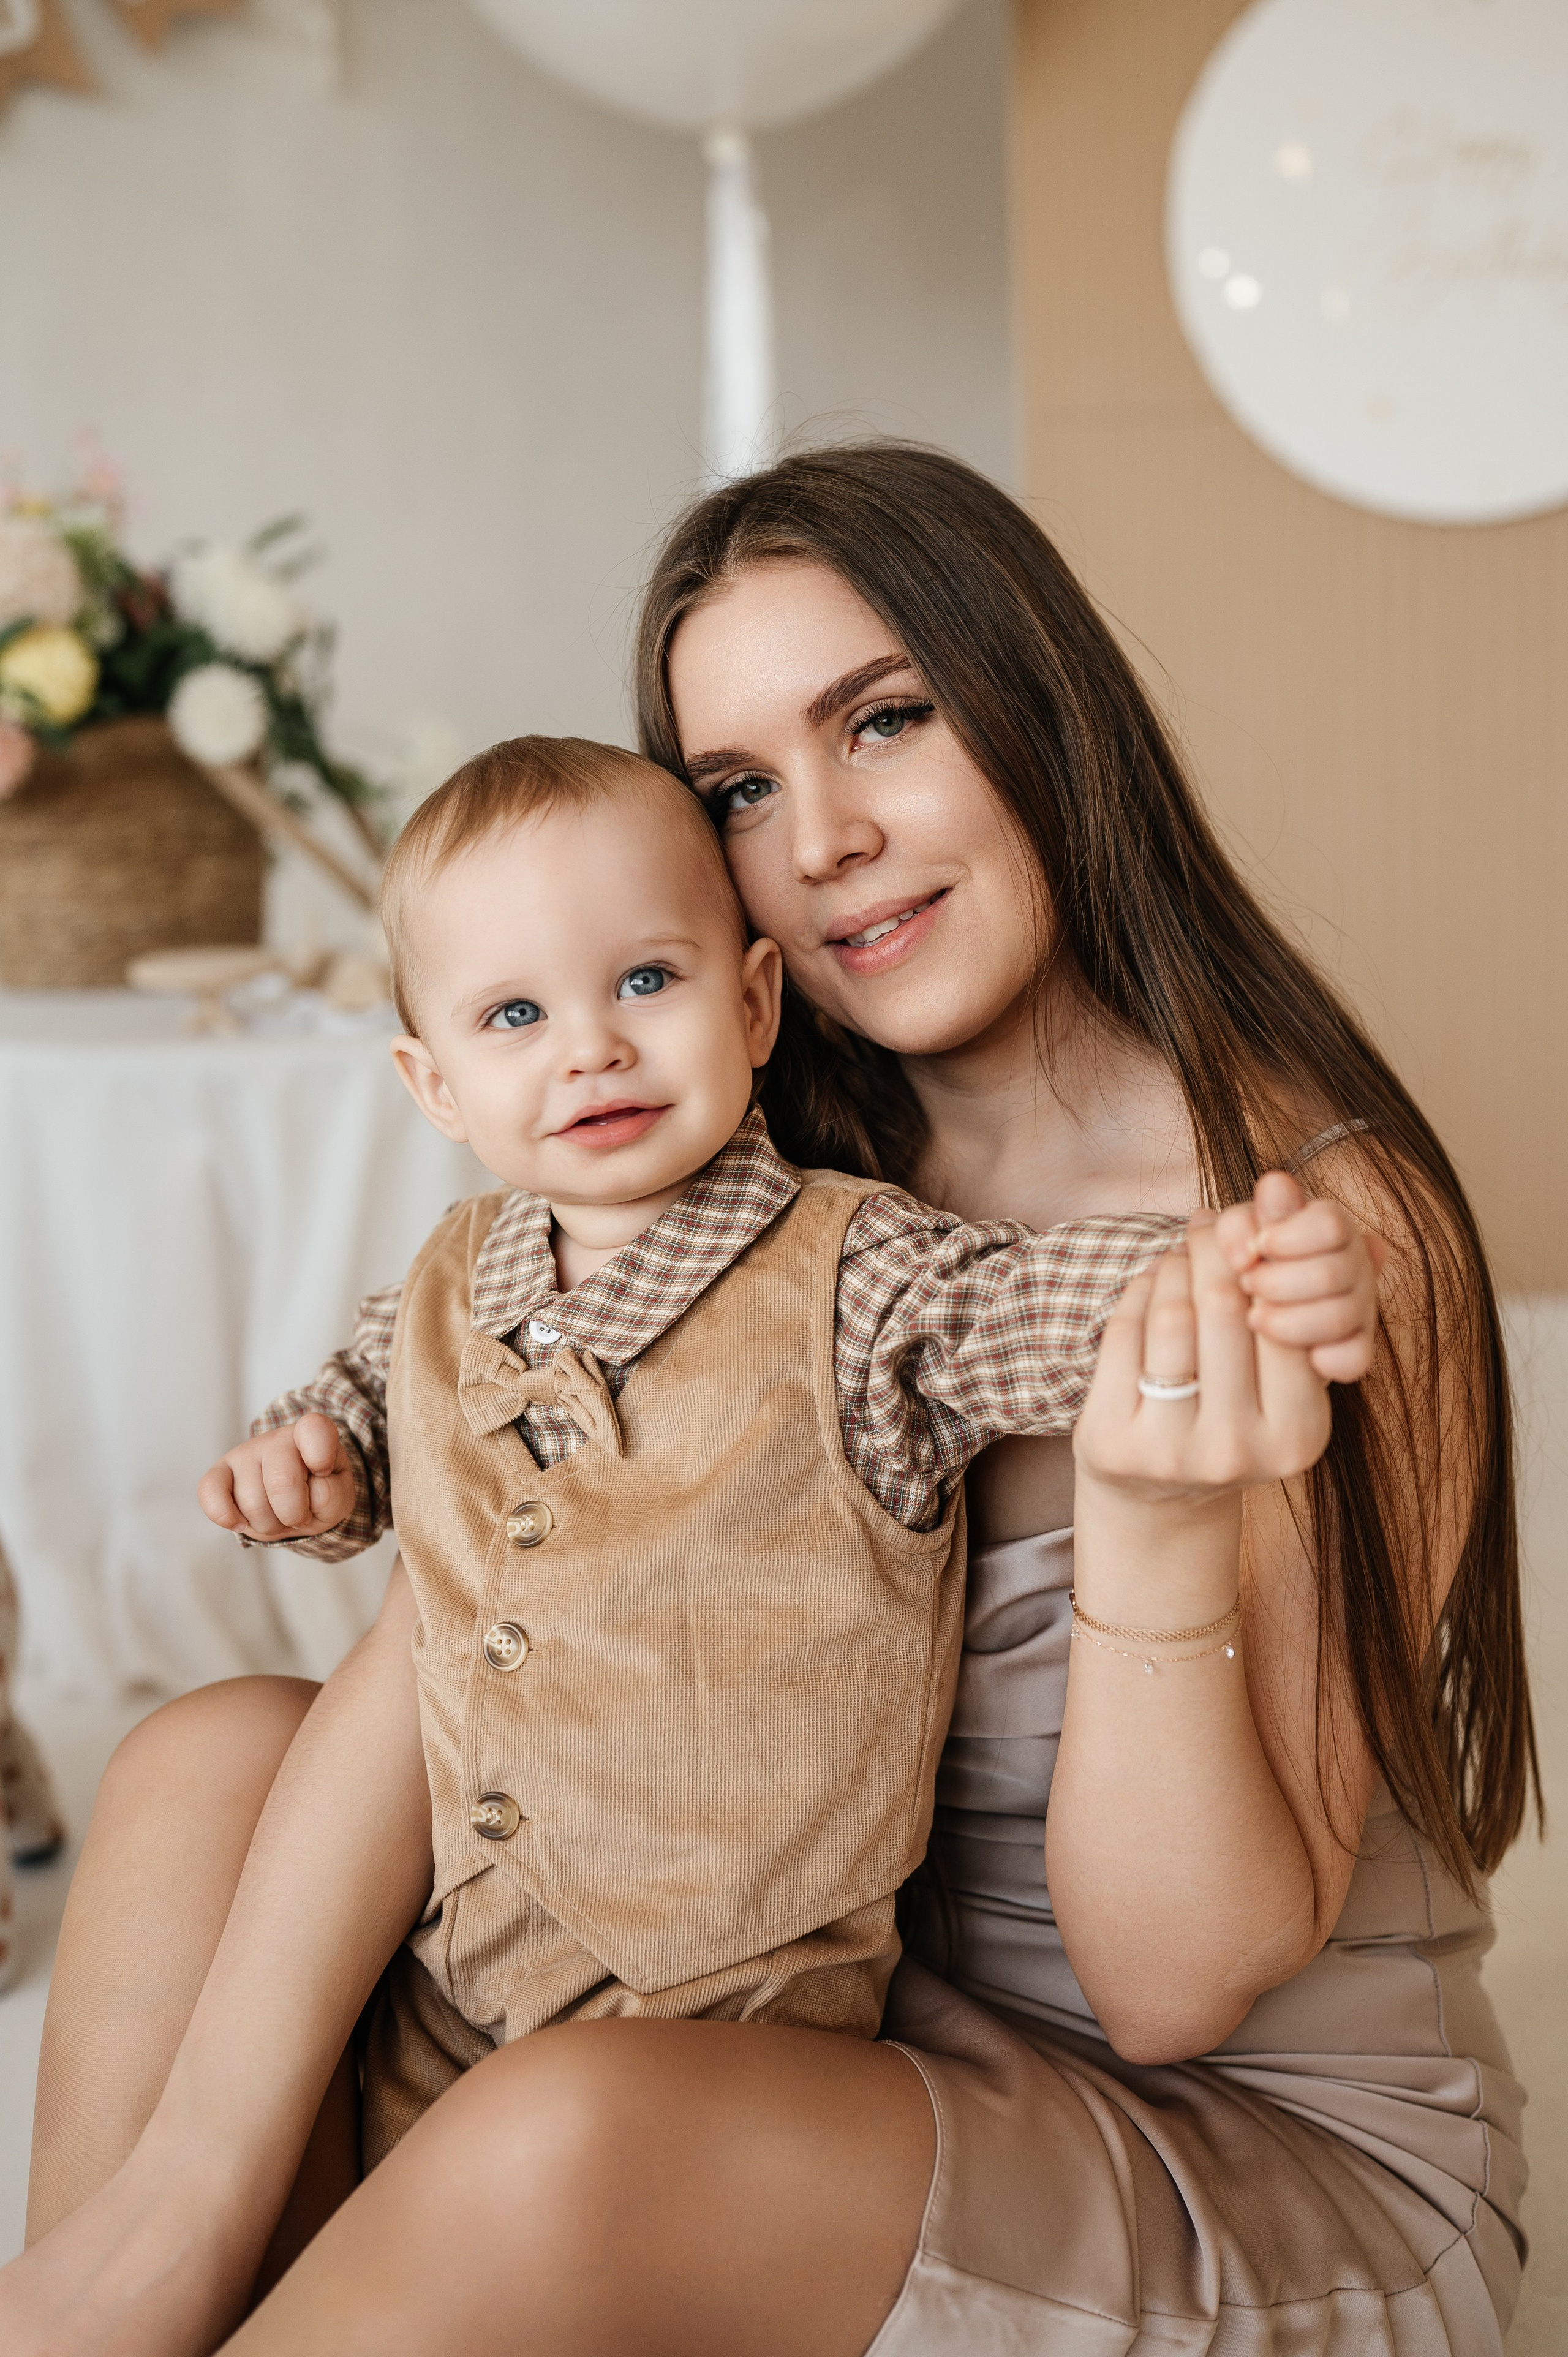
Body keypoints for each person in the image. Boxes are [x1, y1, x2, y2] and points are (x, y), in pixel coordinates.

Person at [18, 443, 1537, 2356]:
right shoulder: (749, 1164)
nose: (820, 839)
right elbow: (471, 1638)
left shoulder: (1305, 1235)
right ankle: (132, 2288)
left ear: (1045, 710)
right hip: (813, 2029)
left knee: (570, 2133)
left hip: (1220, 2150)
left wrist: (1156, 1530)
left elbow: (1175, 1990)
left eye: (885, 720)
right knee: (209, 1765)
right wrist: (193, 2176)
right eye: (739, 788)